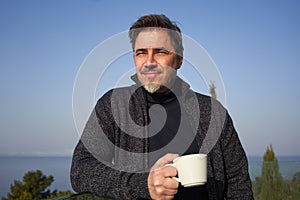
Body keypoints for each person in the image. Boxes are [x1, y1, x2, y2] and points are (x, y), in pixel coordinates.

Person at [70, 14, 254, 200]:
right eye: (141, 52)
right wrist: (143, 185)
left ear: (179, 60)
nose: (149, 62)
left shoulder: (212, 112)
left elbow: (238, 185)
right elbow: (81, 170)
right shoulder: (113, 104)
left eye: (161, 52)